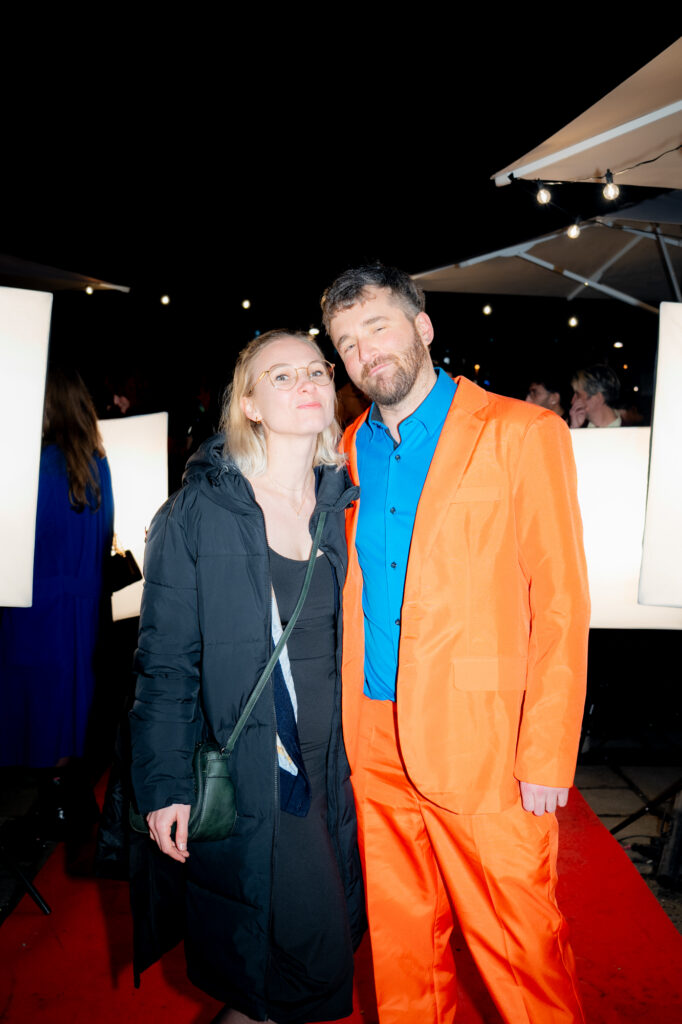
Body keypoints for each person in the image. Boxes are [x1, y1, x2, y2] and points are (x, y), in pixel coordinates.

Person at [321, 264, 590, 1024]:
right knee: (402, 947)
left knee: (522, 951)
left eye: (377, 326)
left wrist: (546, 752)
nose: (366, 352)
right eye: (347, 343)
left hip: (485, 741)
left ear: (422, 326)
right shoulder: (348, 448)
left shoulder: (521, 432)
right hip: (372, 734)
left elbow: (562, 602)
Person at [129, 330, 365, 1024]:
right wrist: (164, 786)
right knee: (312, 968)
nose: (306, 383)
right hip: (264, 770)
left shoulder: (343, 501)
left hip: (343, 769)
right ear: (250, 405)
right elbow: (165, 663)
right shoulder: (197, 513)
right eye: (281, 375)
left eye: (316, 370)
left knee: (287, 975)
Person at [0, 366, 114, 775]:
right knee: (68, 702)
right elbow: (105, 535)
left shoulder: (38, 465)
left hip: (35, 602)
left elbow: (18, 537)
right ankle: (60, 790)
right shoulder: (97, 465)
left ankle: (42, 790)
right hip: (81, 604)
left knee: (30, 703)